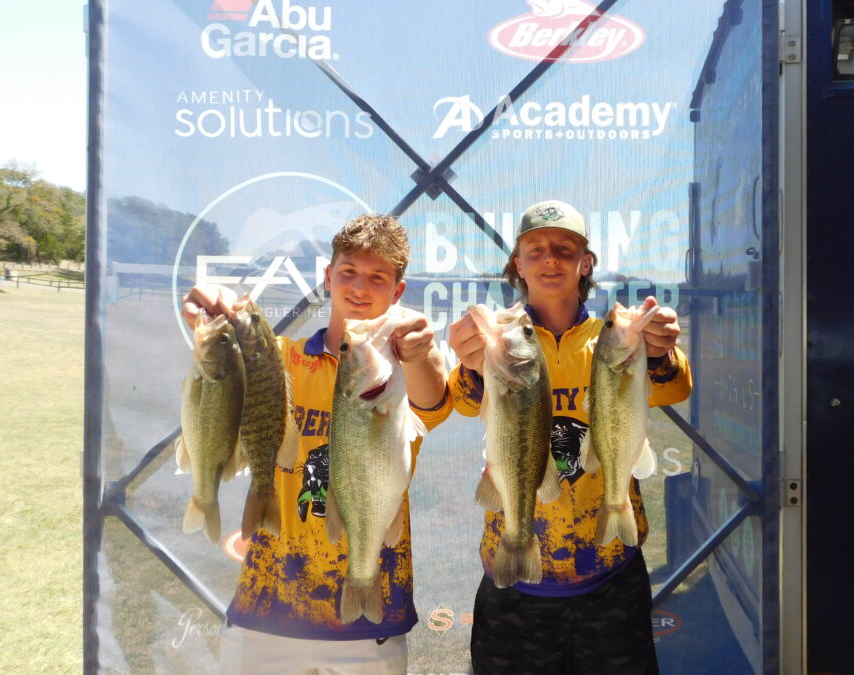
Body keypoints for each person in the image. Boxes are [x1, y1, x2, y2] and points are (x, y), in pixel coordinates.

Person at [181, 214, 450, 675]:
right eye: (348, 272)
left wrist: (422, 354)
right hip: (267, 605)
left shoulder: (404, 374)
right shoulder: (282, 357)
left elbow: (432, 396)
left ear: (397, 292)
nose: (360, 287)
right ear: (327, 277)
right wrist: (210, 306)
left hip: (370, 620)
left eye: (377, 277)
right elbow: (229, 356)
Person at [447, 199, 692, 674]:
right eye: (535, 249)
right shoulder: (501, 341)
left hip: (611, 578)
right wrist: (475, 366)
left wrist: (660, 350)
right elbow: (461, 401)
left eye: (564, 248)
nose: (550, 258)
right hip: (513, 585)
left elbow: (676, 386)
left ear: (586, 263)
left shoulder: (615, 339)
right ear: (517, 264)